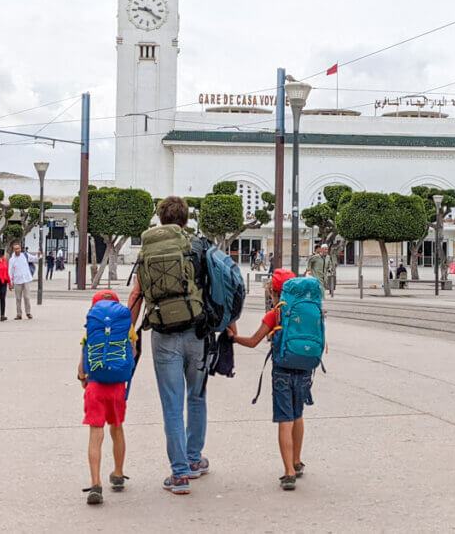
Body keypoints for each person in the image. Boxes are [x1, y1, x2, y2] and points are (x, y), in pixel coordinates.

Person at [128, 196, 211, 495]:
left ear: (160, 218)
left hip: (162, 333)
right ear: (186, 220)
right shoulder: (197, 246)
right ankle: (193, 460)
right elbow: (216, 287)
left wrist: (131, 335)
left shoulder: (147, 249)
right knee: (197, 397)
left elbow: (137, 294)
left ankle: (178, 476)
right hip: (196, 332)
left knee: (172, 404)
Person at [231, 268, 319, 491]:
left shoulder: (275, 314)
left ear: (273, 291)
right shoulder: (309, 310)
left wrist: (233, 338)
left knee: (284, 419)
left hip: (282, 370)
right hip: (305, 369)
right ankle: (297, 462)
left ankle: (288, 472)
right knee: (298, 415)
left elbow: (252, 341)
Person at [78, 289, 133, 505]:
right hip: (117, 387)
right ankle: (118, 474)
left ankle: (95, 484)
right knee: (117, 428)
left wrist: (83, 378)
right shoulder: (125, 330)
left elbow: (82, 368)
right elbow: (132, 357)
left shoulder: (90, 332)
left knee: (96, 433)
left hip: (95, 387)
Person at [7, 242, 34, 320]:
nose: (17, 250)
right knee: (18, 298)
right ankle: (19, 314)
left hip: (26, 279)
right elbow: (10, 272)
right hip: (17, 281)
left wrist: (39, 255)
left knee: (27, 297)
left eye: (18, 248)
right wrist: (10, 283)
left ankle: (28, 312)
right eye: (15, 249)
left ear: (20, 249)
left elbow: (33, 258)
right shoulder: (12, 260)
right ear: (13, 250)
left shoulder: (25, 256)